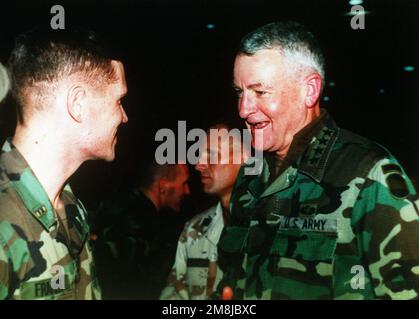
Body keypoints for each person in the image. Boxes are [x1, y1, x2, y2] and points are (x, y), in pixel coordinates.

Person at [215, 21, 419, 300]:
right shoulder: (251, 176)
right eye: (240, 92)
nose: (243, 109)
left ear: (309, 91)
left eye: (260, 92)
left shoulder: (371, 175)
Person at [0, 28, 128, 300]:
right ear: (78, 104)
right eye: (119, 100)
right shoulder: (4, 220)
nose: (124, 116)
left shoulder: (71, 208)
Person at [160, 120, 249, 299]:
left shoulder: (269, 228)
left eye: (211, 155)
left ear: (244, 158)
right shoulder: (194, 230)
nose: (199, 164)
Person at [94, 162, 190, 299]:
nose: (187, 191)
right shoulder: (146, 229)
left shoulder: (118, 210)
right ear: (162, 186)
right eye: (184, 183)